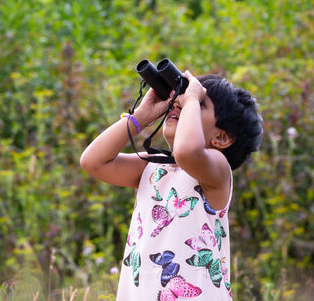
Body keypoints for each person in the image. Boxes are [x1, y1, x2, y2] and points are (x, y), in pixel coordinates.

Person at [80, 70, 263, 300]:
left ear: (222, 138)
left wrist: (191, 100)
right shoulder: (153, 168)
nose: (179, 104)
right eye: (181, 99)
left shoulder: (217, 169)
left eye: (199, 104)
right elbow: (92, 162)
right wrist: (141, 117)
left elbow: (187, 152)